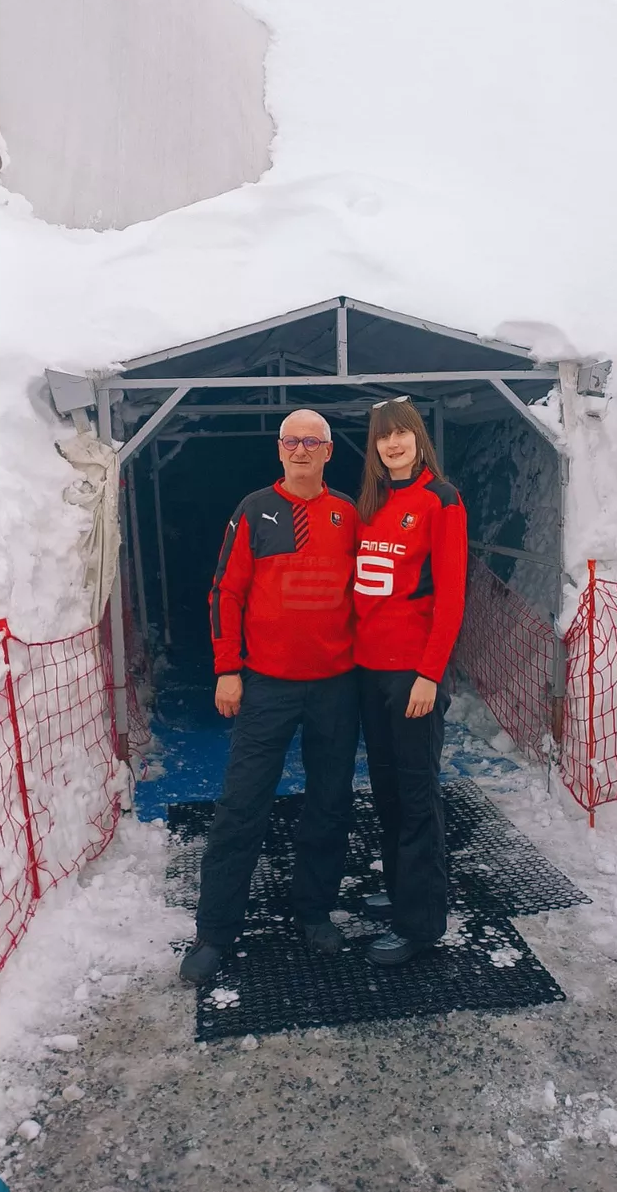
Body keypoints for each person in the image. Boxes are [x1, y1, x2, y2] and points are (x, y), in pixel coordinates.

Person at [179, 409, 360, 985]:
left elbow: (375, 593)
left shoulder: (348, 514)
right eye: (291, 441)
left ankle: (314, 911)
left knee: (329, 803)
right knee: (241, 806)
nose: (300, 450)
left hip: (336, 684)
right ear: (279, 450)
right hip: (266, 685)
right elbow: (225, 593)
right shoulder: (253, 509)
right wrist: (227, 670)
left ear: (329, 451)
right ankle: (215, 932)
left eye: (312, 441)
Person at [354, 396, 467, 966]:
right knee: (388, 788)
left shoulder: (440, 501)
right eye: (382, 437)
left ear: (418, 437)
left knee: (418, 794)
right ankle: (401, 892)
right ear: (373, 447)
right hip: (370, 672)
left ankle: (420, 923)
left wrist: (430, 673)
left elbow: (450, 599)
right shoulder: (373, 502)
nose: (392, 444)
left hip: (412, 675)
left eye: (401, 435)